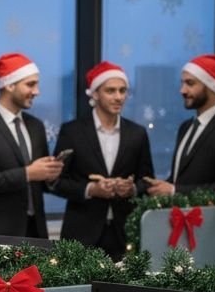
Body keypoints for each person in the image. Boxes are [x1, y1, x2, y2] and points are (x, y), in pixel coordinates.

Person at [52, 61, 154, 260]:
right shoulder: (72, 131)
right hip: (80, 235)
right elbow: (57, 182)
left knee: (126, 291)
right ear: (95, 94)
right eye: (111, 91)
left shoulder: (137, 134)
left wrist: (131, 189)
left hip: (125, 235)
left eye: (122, 90)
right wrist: (91, 189)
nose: (118, 97)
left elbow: (148, 180)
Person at [0, 52, 63, 238]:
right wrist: (27, 173)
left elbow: (40, 182)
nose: (37, 91)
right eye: (30, 84)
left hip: (35, 232)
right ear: (9, 85)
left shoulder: (36, 126)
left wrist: (50, 175)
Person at [145, 54, 215, 196]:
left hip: (210, 218)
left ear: (211, 86)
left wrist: (174, 191)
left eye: (190, 83)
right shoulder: (185, 127)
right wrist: (161, 186)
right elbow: (181, 180)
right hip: (179, 217)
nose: (183, 90)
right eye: (182, 83)